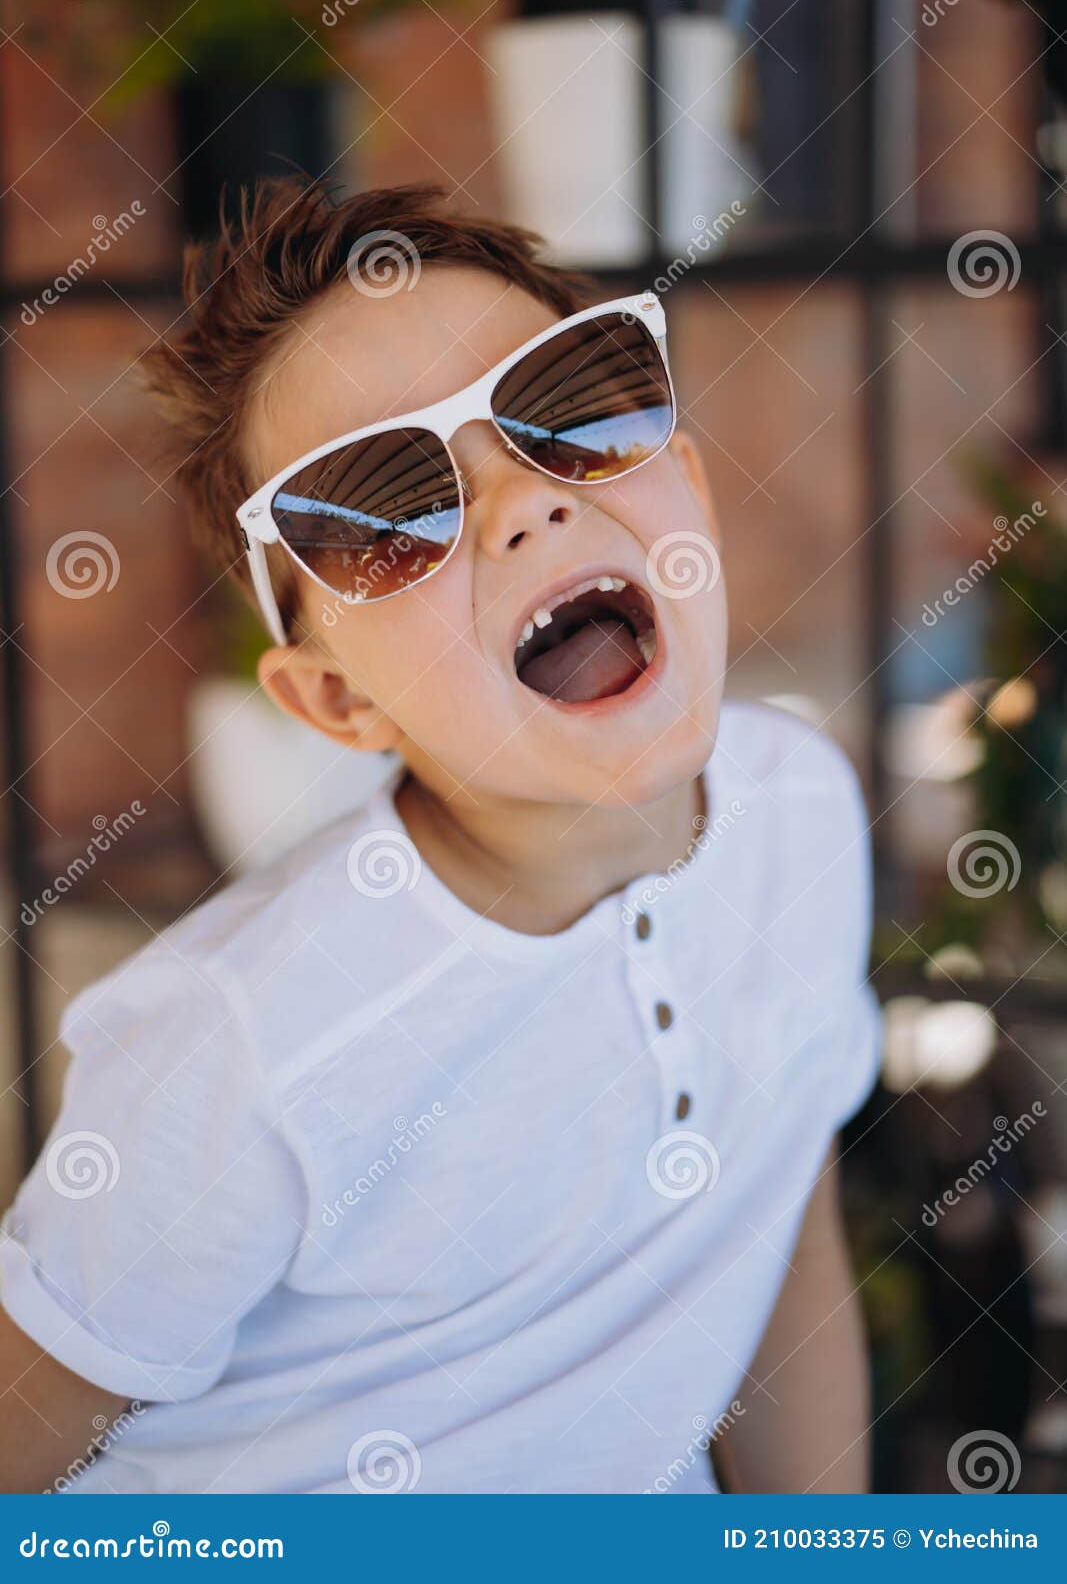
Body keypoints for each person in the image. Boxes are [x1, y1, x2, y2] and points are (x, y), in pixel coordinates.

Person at [0, 179, 880, 1494]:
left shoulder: (806, 809)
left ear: (684, 484)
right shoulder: (237, 1042)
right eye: (385, 505)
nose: (520, 503)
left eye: (570, 408)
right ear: (337, 700)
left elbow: (778, 1224)